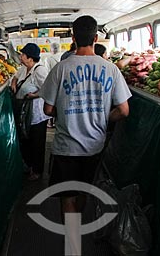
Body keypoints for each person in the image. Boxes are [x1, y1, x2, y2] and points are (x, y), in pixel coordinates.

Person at [39, 15, 131, 224]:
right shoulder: (111, 69)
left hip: (66, 146)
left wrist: (64, 112)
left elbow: (47, 109)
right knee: (83, 191)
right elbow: (124, 110)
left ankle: (72, 241)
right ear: (96, 38)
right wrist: (103, 117)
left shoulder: (60, 68)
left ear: (73, 37)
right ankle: (78, 225)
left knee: (67, 196)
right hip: (95, 146)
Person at [10, 43, 51, 181]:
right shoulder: (23, 69)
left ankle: (37, 170)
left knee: (37, 142)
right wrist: (14, 83)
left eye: (23, 54)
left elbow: (48, 89)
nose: (20, 56)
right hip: (25, 112)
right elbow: (15, 77)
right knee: (26, 139)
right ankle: (28, 166)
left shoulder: (40, 71)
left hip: (37, 114)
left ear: (30, 58)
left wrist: (34, 95)